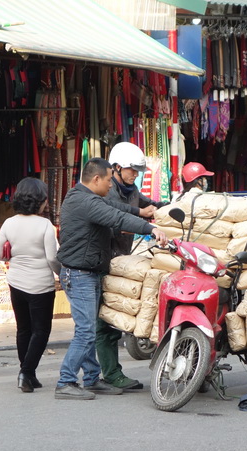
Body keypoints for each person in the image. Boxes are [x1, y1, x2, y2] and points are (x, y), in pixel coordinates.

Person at [55, 158, 167, 400]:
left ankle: (93, 379)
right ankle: (65, 381)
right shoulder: (83, 200)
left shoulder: (89, 198)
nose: (110, 185)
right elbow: (116, 218)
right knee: (85, 331)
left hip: (88, 272)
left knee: (88, 330)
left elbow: (118, 210)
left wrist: (142, 213)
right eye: (107, 180)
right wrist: (151, 229)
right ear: (96, 179)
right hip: (79, 274)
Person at [95, 142, 167, 390]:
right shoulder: (106, 190)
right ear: (116, 168)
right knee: (104, 322)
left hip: (122, 260)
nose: (135, 175)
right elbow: (117, 216)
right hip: (103, 259)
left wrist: (167, 207)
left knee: (115, 318)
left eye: (138, 171)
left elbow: (149, 204)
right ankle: (109, 374)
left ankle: (108, 373)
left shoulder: (131, 189)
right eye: (131, 170)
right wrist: (143, 217)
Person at [0, 177, 61, 392]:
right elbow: (52, 258)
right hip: (40, 285)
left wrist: (15, 256)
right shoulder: (45, 225)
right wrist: (61, 274)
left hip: (16, 282)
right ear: (40, 201)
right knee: (41, 331)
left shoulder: (9, 223)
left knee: (23, 329)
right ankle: (26, 372)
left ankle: (28, 374)